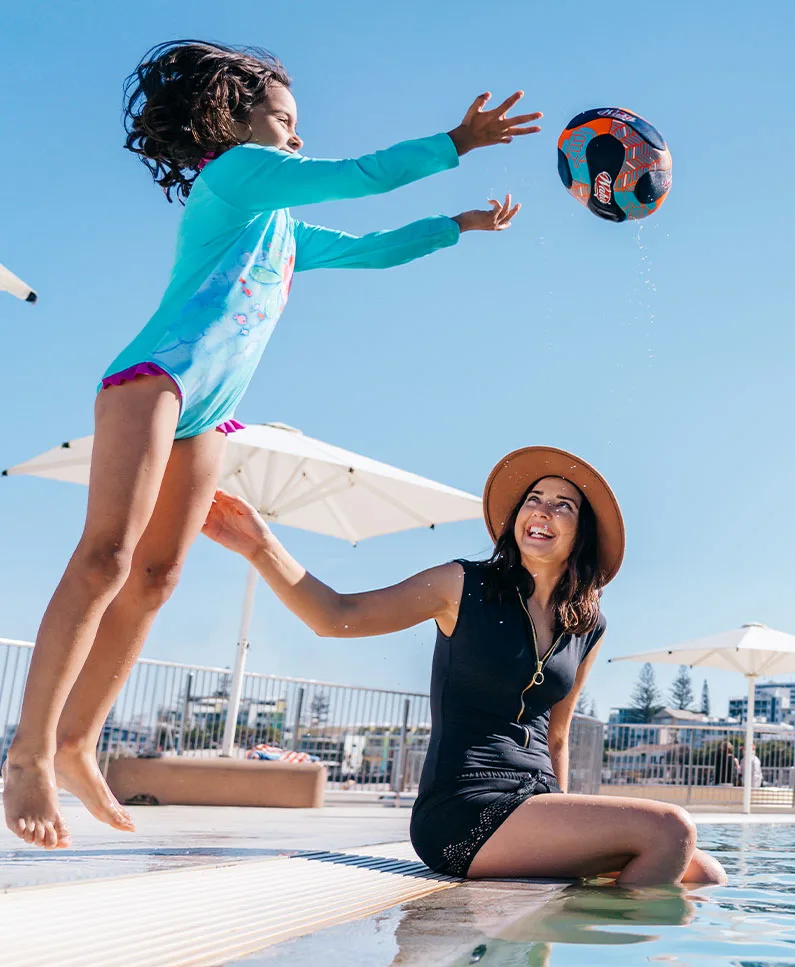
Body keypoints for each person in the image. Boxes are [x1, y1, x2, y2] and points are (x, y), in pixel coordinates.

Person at [4, 39, 540, 850]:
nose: (293, 134)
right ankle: (29, 755)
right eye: (282, 118)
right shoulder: (234, 178)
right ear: (235, 118)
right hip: (154, 381)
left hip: (209, 411)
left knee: (156, 580)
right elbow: (358, 175)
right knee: (106, 559)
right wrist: (456, 145)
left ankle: (80, 743)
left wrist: (457, 226)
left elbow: (369, 248)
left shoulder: (281, 229)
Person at [200, 446, 726, 887]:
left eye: (562, 505)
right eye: (534, 500)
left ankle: (564, 956)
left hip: (533, 803)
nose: (541, 512)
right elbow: (338, 616)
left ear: (581, 532)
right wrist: (262, 548)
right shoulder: (461, 585)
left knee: (705, 873)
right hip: (463, 808)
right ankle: (580, 938)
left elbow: (556, 735)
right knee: (670, 831)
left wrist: (567, 830)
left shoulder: (586, 624)